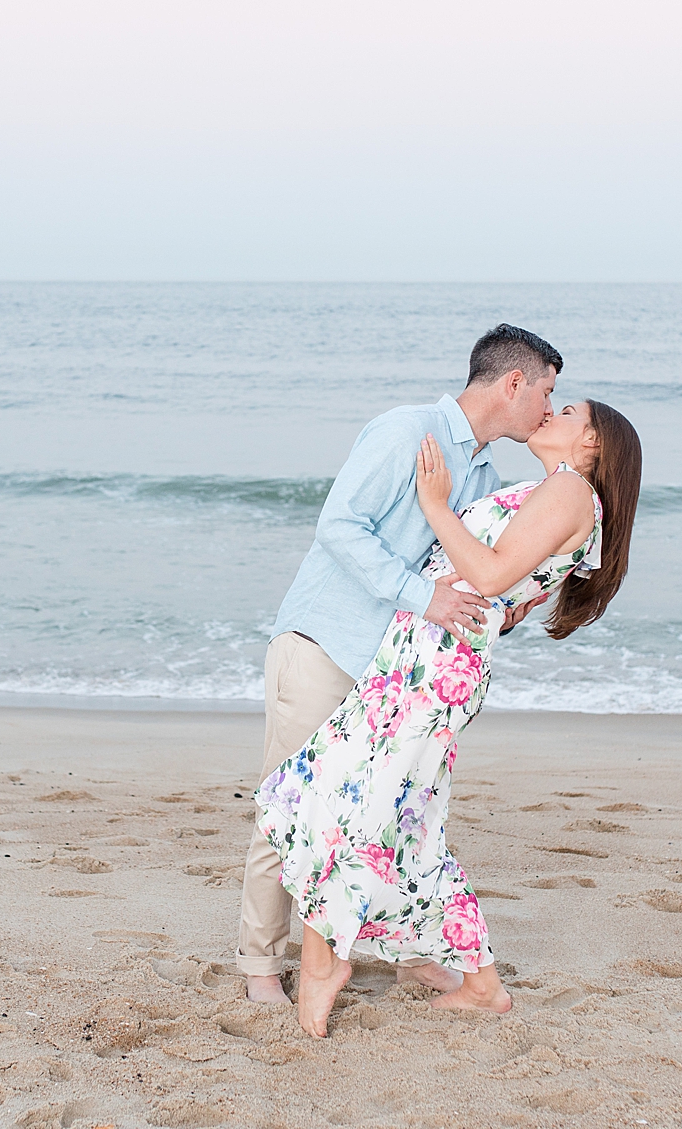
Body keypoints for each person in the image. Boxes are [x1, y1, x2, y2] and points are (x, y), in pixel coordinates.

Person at [254, 396, 642, 1037]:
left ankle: (324, 960)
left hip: (431, 665)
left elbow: (487, 576)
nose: (550, 411)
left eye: (566, 409)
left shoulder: (571, 492)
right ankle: (481, 982)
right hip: (425, 656)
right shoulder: (558, 495)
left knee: (350, 801)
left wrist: (435, 504)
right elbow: (509, 592)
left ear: (593, 444)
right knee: (402, 821)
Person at [235, 324, 562, 1006]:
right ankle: (261, 966)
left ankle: (412, 959)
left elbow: (459, 573)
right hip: (325, 645)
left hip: (392, 675)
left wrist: (506, 604)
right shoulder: (405, 432)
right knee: (291, 809)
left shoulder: (482, 475)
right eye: (547, 392)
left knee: (395, 820)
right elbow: (341, 526)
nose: (548, 410)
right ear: (513, 384)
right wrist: (425, 596)